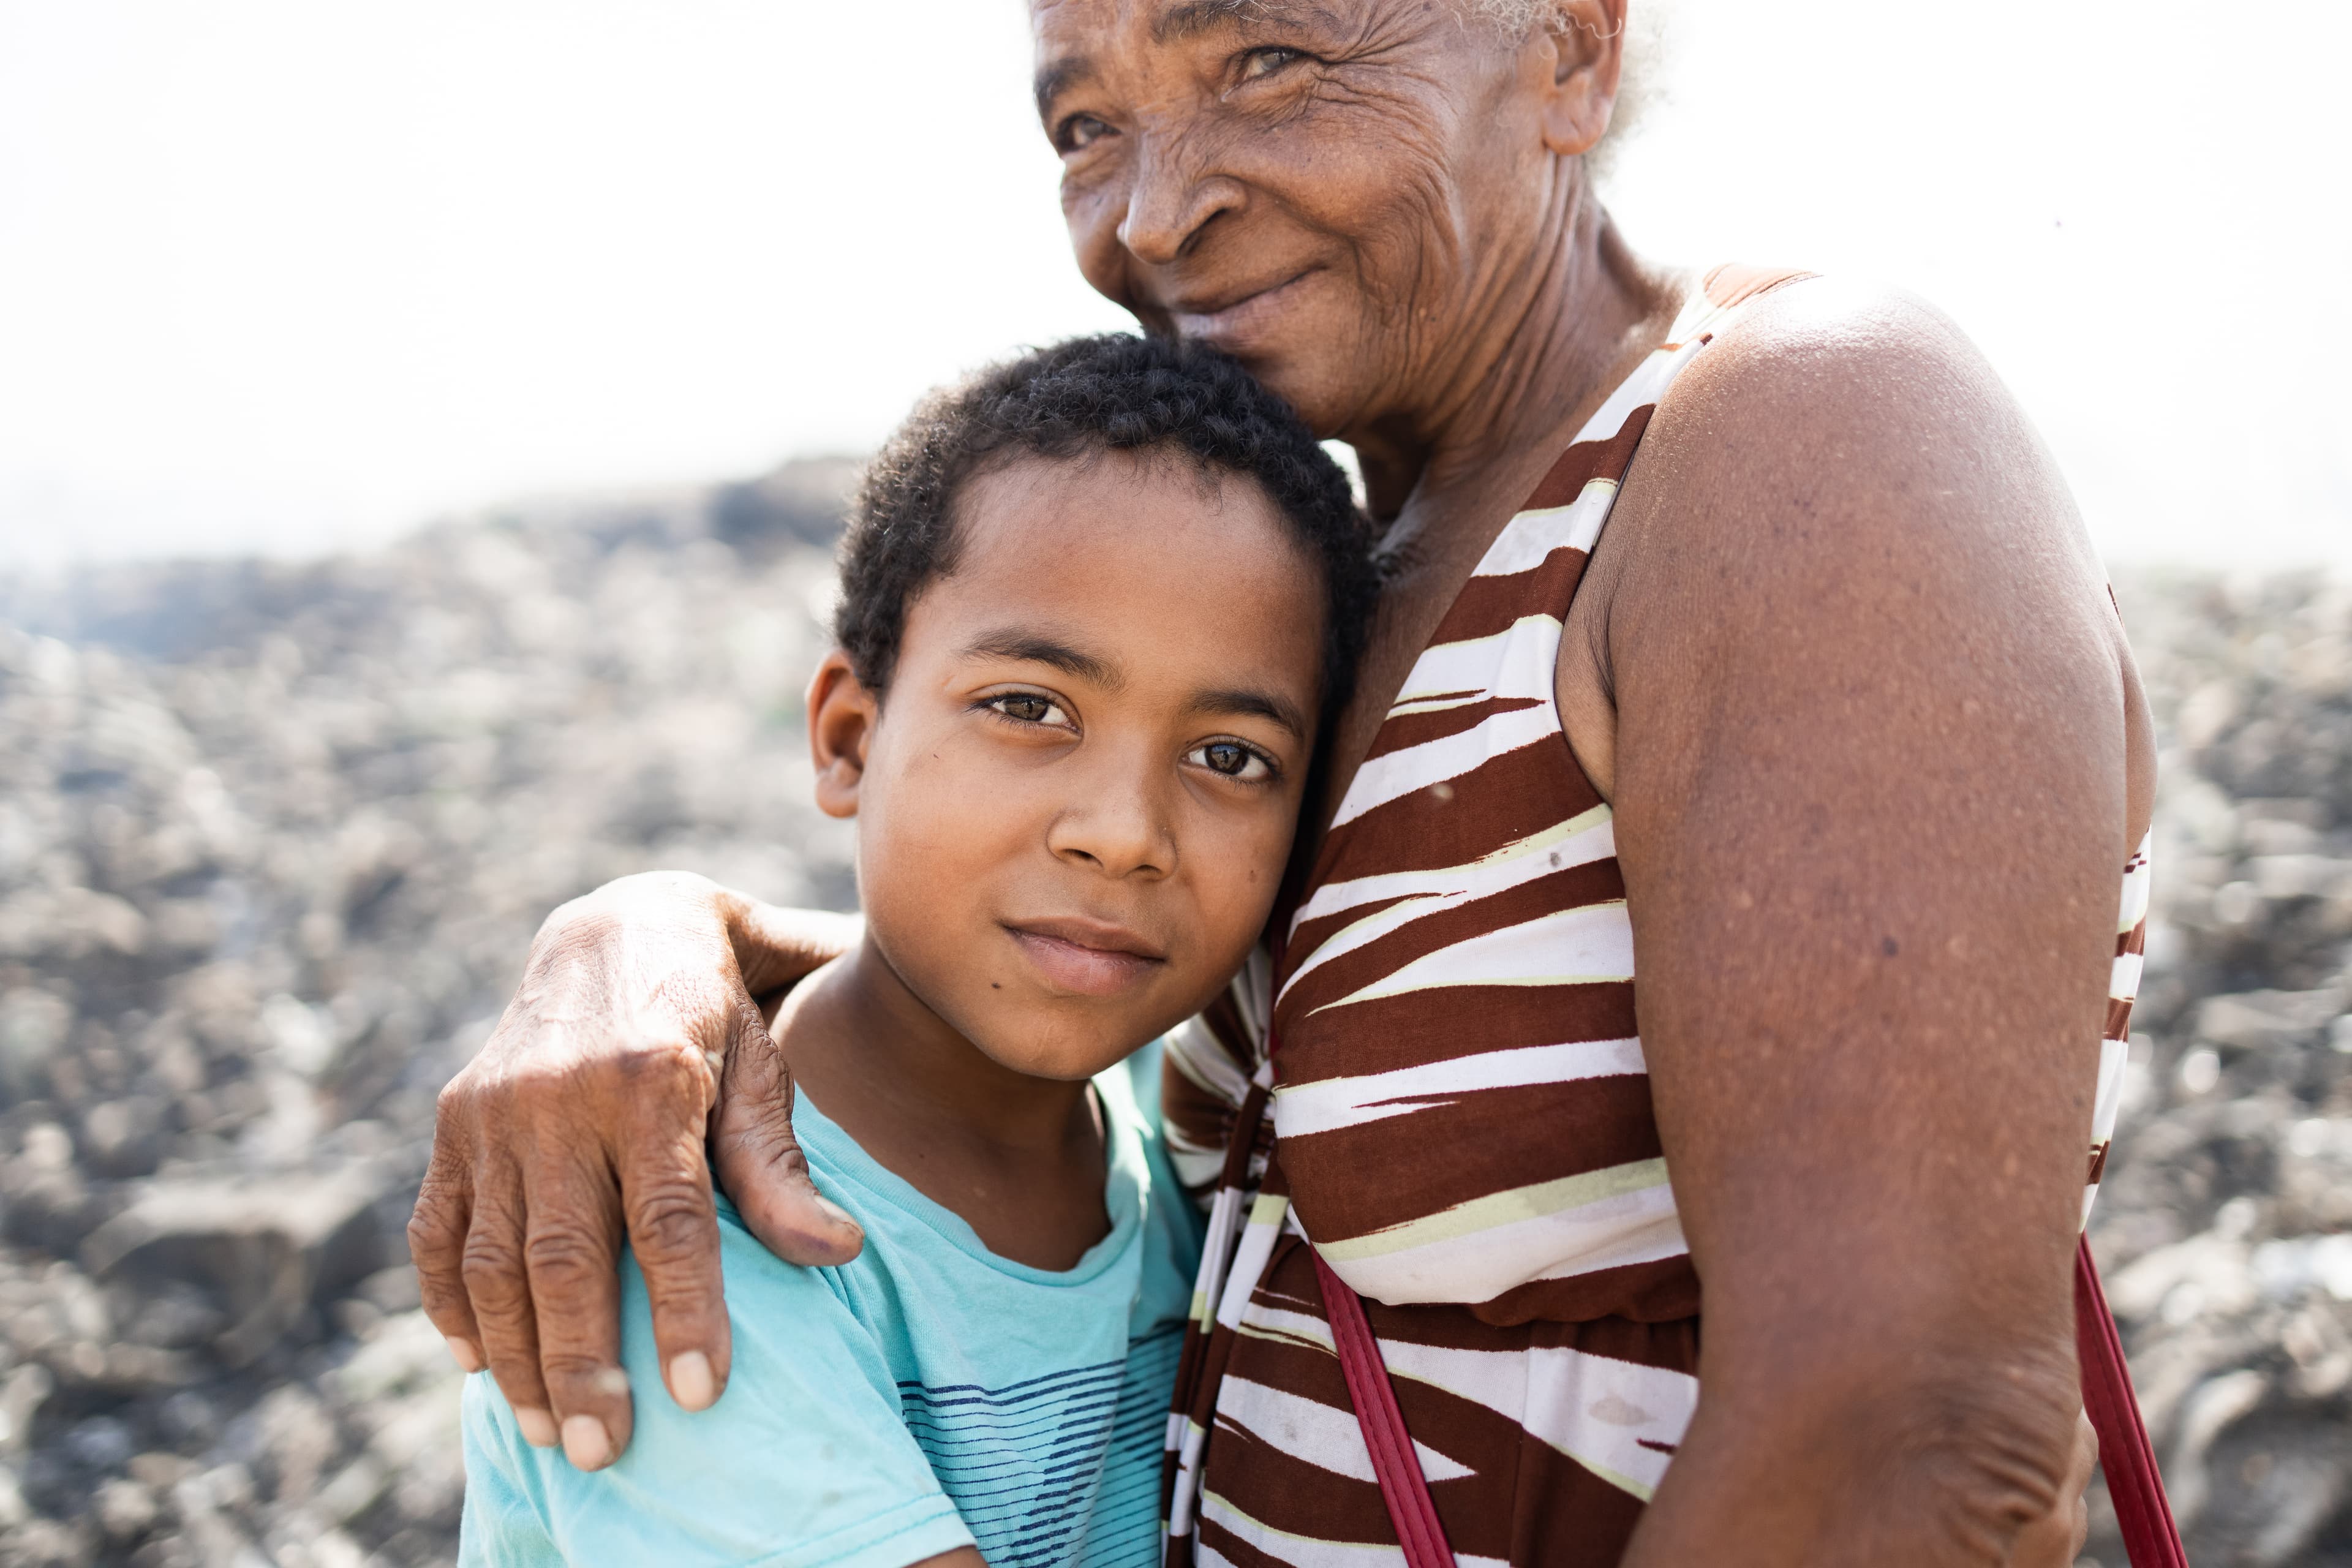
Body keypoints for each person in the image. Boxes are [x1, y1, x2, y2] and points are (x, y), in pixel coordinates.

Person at [411, 2, 2149, 1562]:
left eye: (1267, 62)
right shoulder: (1365, 577)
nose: (1152, 215)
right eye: (1085, 124)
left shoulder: (1797, 436)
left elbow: (1918, 1451)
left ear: (1571, 48)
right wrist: (655, 944)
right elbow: (1085, 932)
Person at [459, 335, 1379, 1566]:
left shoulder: (1190, 1124)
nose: (1123, 835)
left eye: (1229, 757)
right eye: (1028, 706)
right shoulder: (685, 1229)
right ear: (847, 735)